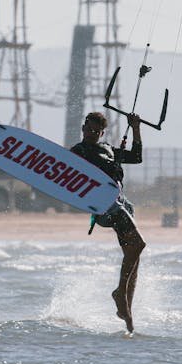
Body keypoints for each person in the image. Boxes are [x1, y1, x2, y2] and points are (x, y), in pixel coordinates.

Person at [71, 111, 144, 333]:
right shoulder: (77, 152)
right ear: (83, 128)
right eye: (88, 129)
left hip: (121, 202)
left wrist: (136, 128)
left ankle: (127, 315)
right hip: (104, 205)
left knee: (134, 254)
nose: (92, 133)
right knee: (138, 244)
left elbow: (137, 157)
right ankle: (119, 294)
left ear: (102, 132)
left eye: (96, 131)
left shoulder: (108, 149)